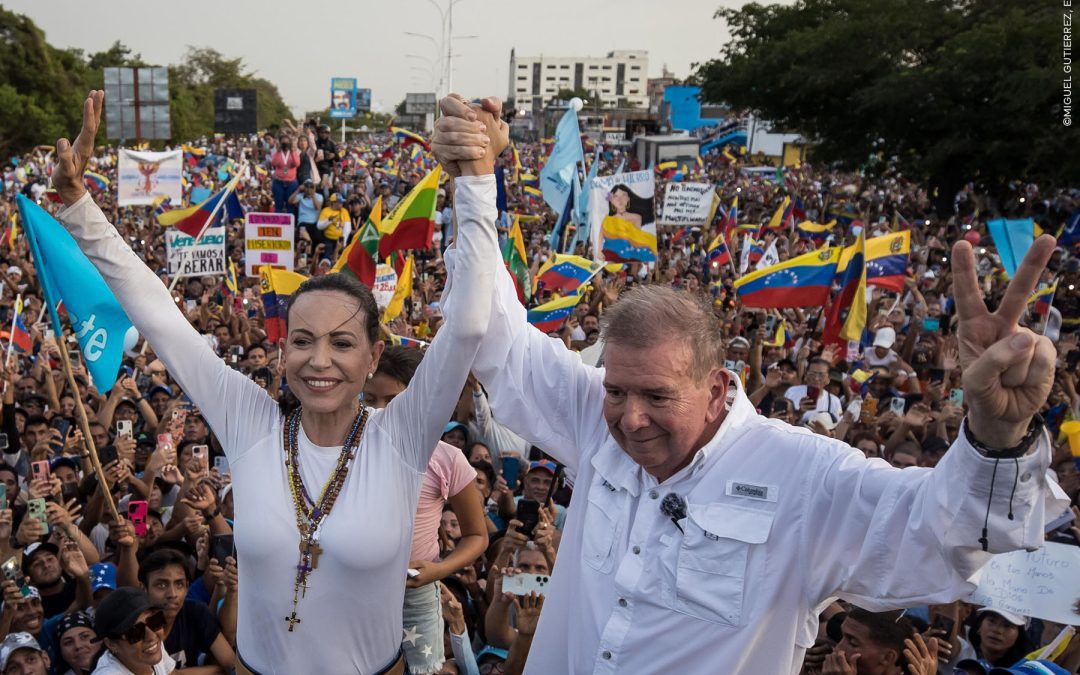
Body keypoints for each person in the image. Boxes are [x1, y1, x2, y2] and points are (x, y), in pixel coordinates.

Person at [433, 94, 1066, 674]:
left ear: (716, 388)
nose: (629, 419)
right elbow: (493, 329)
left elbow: (942, 536)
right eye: (617, 391)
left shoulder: (805, 477)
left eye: (657, 397)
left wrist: (998, 430)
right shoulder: (594, 421)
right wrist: (477, 179)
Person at [52, 90, 501, 675]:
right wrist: (80, 206)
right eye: (302, 340)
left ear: (373, 358)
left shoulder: (401, 436)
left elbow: (467, 324)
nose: (319, 361)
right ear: (282, 348)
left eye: (342, 344)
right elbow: (160, 318)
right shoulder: (250, 421)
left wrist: (477, 182)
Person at [362, 345, 489, 674]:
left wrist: (438, 570)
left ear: (420, 400)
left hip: (414, 595)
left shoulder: (446, 459)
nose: (379, 410)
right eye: (369, 399)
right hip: (353, 589)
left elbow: (477, 535)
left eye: (392, 400)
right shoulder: (341, 453)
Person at [91, 587, 173, 675]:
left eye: (154, 622)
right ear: (111, 644)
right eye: (135, 632)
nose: (151, 636)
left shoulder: (153, 648)